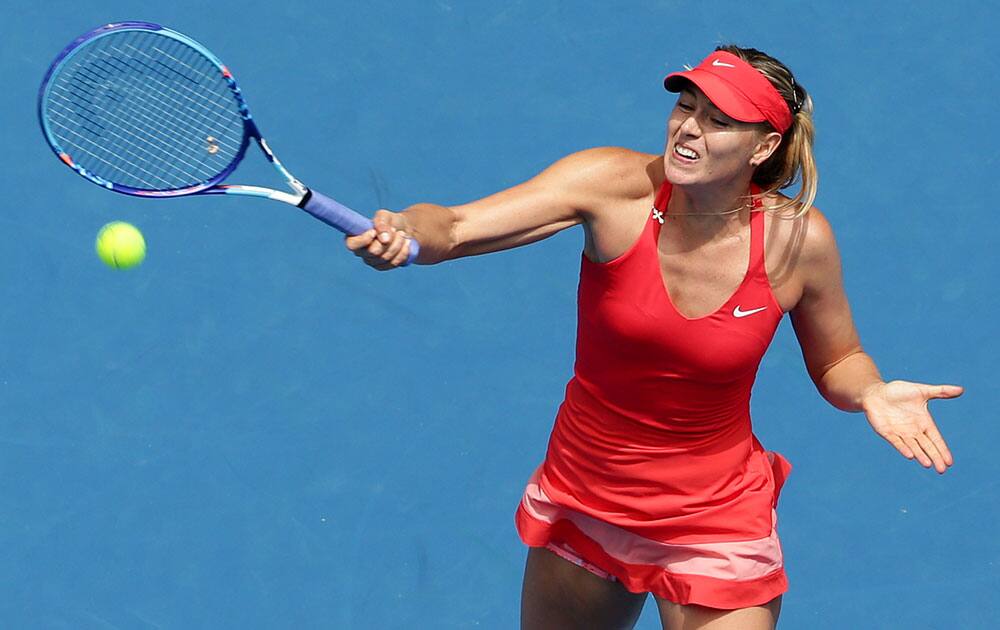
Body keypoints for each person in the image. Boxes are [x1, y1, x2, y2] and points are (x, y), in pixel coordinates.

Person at [344, 46, 963, 630]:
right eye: (686, 106)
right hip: (587, 495)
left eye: (718, 120)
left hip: (716, 515)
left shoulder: (798, 242)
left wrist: (873, 391)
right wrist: (407, 233)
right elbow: (453, 225)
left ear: (763, 146)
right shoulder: (611, 185)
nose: (689, 128)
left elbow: (841, 359)